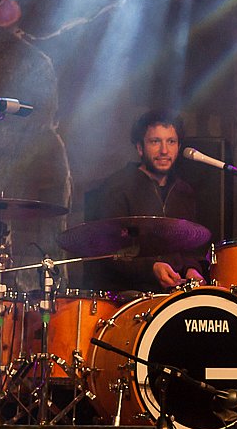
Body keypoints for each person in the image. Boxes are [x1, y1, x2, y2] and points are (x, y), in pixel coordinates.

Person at [85, 109, 206, 292]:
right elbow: (109, 253)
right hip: (128, 297)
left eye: (171, 142)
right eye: (155, 142)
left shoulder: (184, 192)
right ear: (140, 148)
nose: (164, 150)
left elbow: (189, 248)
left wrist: (192, 269)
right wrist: (152, 268)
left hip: (173, 297)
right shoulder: (116, 188)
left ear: (179, 147)